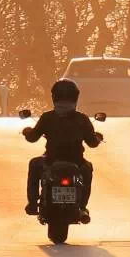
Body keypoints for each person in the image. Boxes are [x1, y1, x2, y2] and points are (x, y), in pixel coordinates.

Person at [22, 79, 104, 222]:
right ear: (76, 97)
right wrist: (97, 138)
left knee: (34, 164)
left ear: (54, 96)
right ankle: (82, 207)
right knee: (87, 170)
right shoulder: (82, 119)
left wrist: (27, 132)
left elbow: (33, 138)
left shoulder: (47, 117)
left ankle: (33, 203)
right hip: (76, 161)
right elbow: (92, 143)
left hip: (51, 160)